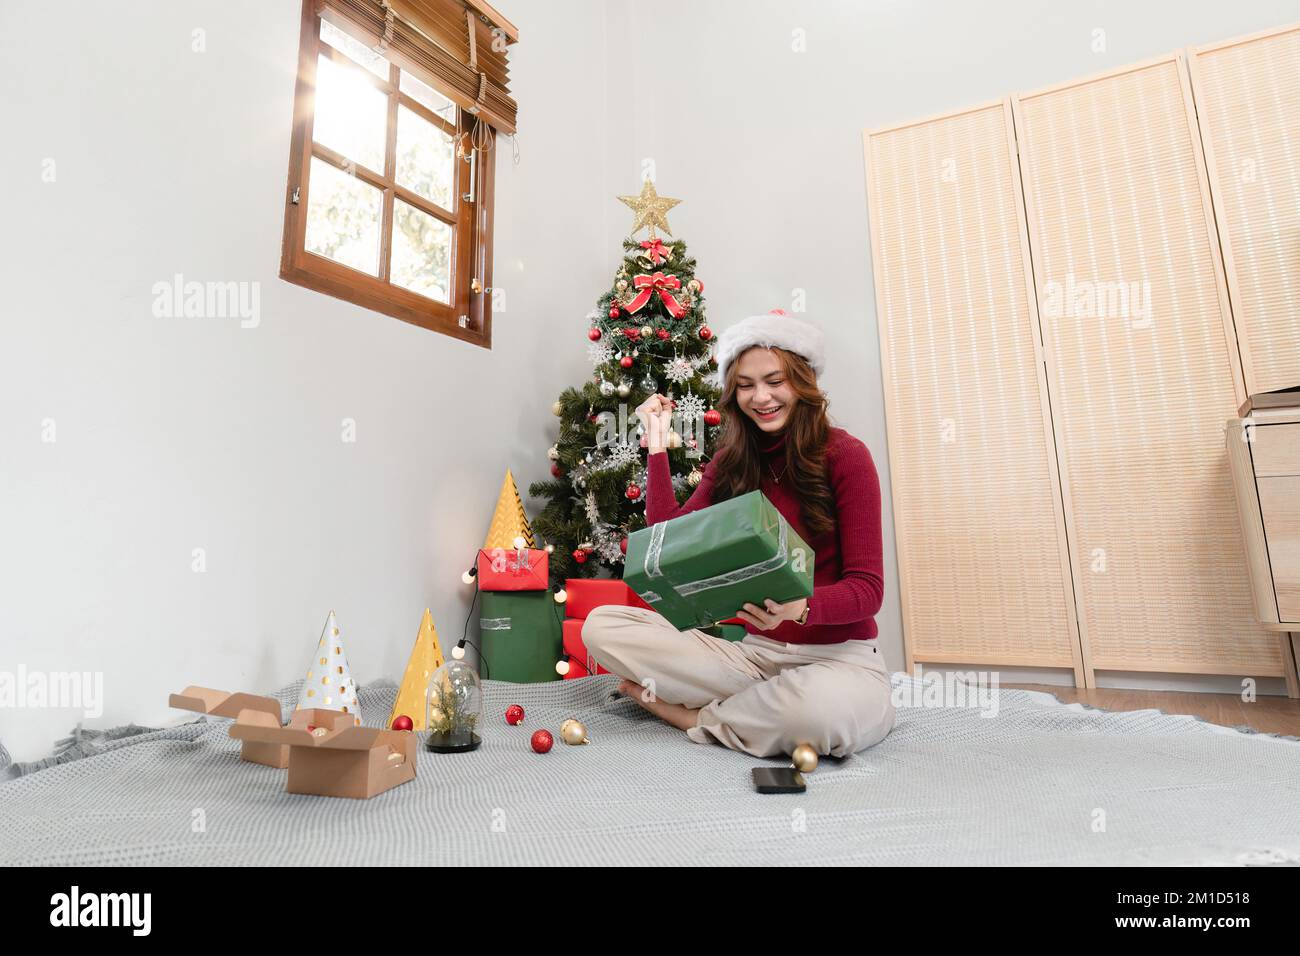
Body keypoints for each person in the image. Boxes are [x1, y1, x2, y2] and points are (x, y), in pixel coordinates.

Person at [581, 311, 895, 759]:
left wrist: (801, 607)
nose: (761, 397)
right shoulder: (733, 461)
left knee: (817, 713)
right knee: (603, 626)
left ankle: (696, 718)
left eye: (774, 381)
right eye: (746, 385)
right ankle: (755, 709)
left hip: (837, 660)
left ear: (802, 382)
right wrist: (655, 443)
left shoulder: (847, 456)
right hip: (751, 660)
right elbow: (667, 536)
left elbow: (868, 590)